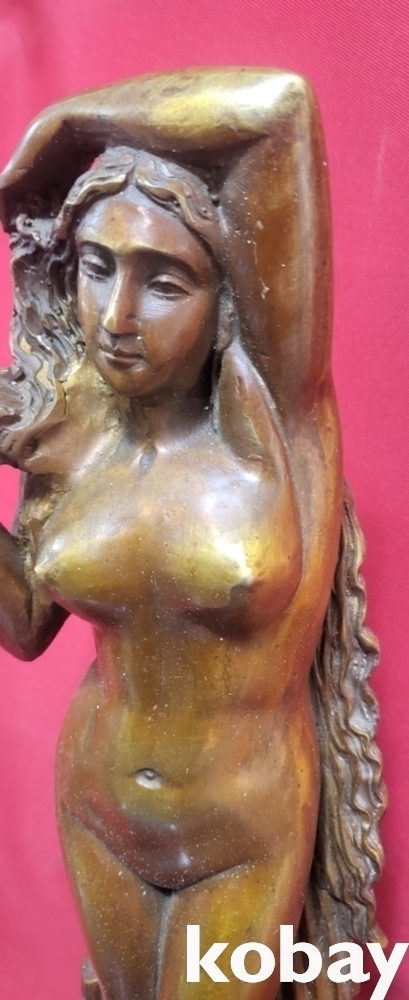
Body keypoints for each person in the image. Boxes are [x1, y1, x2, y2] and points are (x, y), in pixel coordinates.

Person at [0, 70, 385, 1000]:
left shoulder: (275, 416)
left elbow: (278, 107)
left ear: (226, 304)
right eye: (96, 267)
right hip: (97, 810)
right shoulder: (75, 432)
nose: (116, 317)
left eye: (163, 282)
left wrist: (65, 126)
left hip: (239, 832)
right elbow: (24, 628)